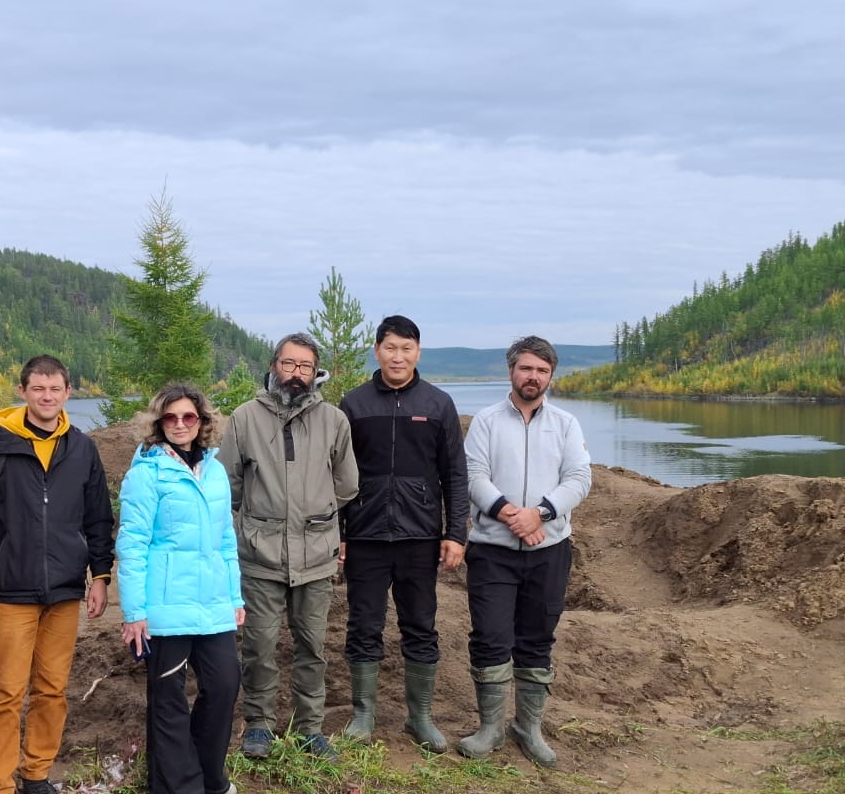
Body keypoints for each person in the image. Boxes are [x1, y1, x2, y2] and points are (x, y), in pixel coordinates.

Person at [0, 355, 115, 794]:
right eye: (38, 388)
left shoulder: (81, 449)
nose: (47, 396)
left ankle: (38, 774)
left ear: (68, 392)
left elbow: (98, 516)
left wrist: (101, 575)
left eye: (56, 389)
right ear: (23, 391)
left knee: (52, 690)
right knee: (6, 693)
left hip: (65, 590)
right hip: (10, 591)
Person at [218, 333, 358, 761]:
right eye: (289, 364)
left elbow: (348, 484)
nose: (297, 374)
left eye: (305, 367)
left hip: (316, 556)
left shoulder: (334, 421)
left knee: (312, 646)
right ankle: (259, 724)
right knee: (259, 644)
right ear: (274, 365)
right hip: (260, 554)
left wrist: (313, 512)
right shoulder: (244, 419)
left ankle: (308, 728)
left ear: (317, 372)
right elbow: (229, 486)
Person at [457, 336, 591, 767]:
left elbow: (578, 478)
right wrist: (513, 515)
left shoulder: (566, 424)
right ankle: (490, 727)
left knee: (537, 639)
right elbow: (473, 475)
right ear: (511, 370)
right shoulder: (486, 422)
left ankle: (528, 727)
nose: (533, 377)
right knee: (491, 637)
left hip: (549, 550)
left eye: (542, 370)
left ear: (551, 375)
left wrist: (541, 514)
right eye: (526, 368)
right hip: (493, 550)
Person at [339, 314, 469, 750]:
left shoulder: (437, 405)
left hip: (421, 537)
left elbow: (455, 474)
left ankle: (420, 716)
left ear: (418, 353)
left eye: (407, 348)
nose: (398, 356)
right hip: (365, 536)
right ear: (377, 350)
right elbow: (337, 474)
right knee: (363, 625)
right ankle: (363, 715)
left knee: (420, 625)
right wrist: (339, 530)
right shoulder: (353, 405)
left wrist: (456, 533)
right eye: (390, 348)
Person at [116, 383, 245, 794]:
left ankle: (209, 774)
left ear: (202, 423)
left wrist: (235, 595)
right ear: (158, 424)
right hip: (165, 608)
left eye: (189, 417)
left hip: (212, 605)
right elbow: (131, 545)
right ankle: (174, 786)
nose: (180, 425)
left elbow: (226, 540)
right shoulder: (145, 474)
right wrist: (134, 613)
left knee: (225, 684)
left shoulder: (214, 471)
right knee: (169, 696)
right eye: (170, 418)